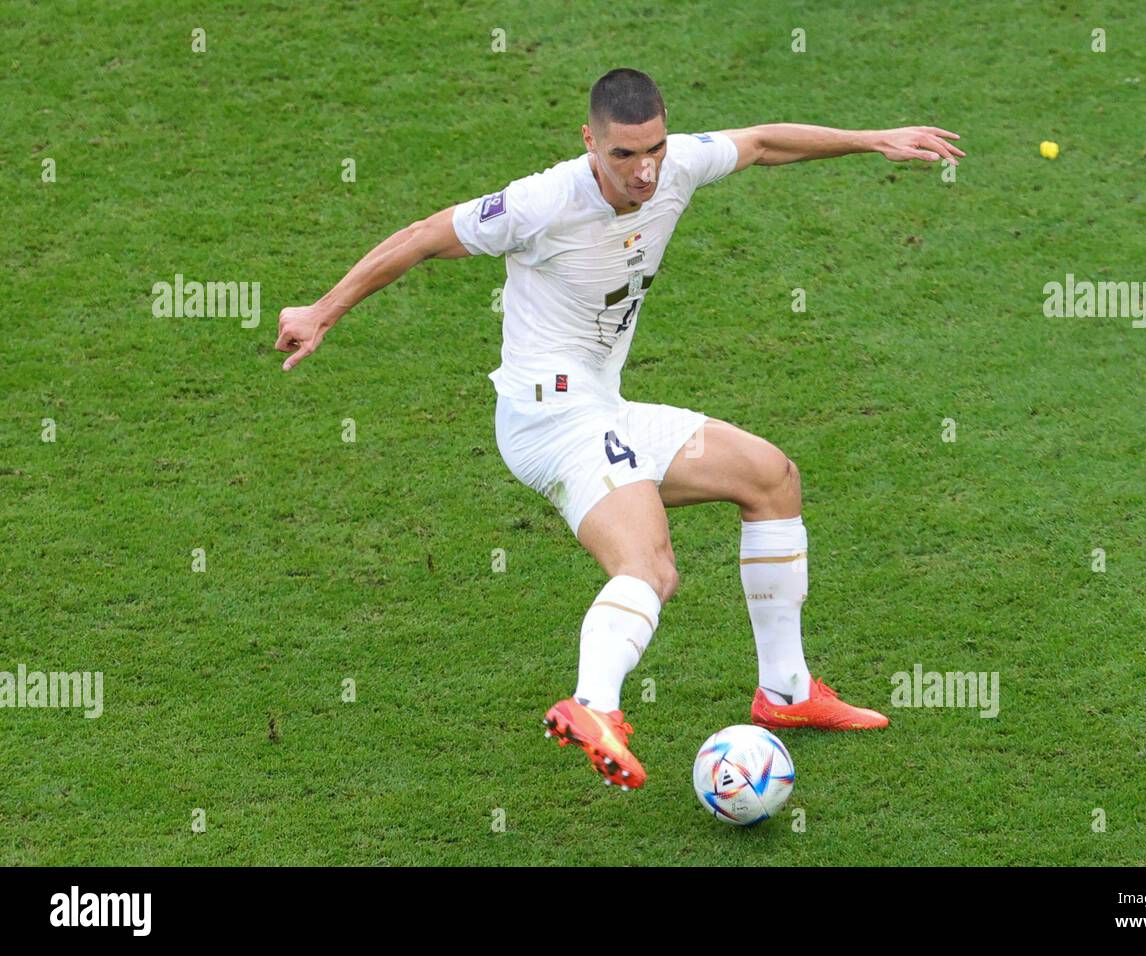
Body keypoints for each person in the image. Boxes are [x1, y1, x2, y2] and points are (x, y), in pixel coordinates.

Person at [276, 68, 964, 791]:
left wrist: (873, 140)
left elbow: (762, 142)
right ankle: (593, 704)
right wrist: (323, 310)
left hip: (602, 407)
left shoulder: (676, 165)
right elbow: (422, 237)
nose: (644, 172)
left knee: (770, 477)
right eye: (623, 156)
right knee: (650, 568)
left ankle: (785, 694)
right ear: (589, 143)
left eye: (655, 150)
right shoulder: (541, 202)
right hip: (550, 418)